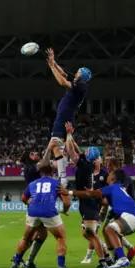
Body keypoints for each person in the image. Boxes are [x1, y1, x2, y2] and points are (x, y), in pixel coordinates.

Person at [61, 169, 135, 268]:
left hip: (133, 216)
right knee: (108, 231)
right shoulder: (117, 189)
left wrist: (69, 192)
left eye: (109, 175)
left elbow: (92, 194)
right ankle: (116, 260)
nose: (107, 176)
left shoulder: (112, 187)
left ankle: (122, 258)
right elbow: (104, 202)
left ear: (113, 179)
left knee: (110, 229)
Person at [63, 122, 108, 268]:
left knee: (90, 233)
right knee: (86, 233)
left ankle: (103, 259)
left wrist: (69, 134)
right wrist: (71, 136)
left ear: (89, 155)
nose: (85, 150)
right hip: (86, 202)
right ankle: (106, 254)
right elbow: (75, 149)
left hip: (88, 203)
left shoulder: (83, 165)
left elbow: (70, 151)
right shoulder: (86, 161)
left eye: (87, 150)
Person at [11, 164, 72, 268]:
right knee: (61, 237)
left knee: (26, 238)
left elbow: (24, 198)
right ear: (53, 173)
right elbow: (67, 202)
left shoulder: (32, 184)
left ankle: (15, 262)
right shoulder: (56, 184)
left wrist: (31, 204)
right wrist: (65, 211)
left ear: (40, 173)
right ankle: (61, 267)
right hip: (48, 212)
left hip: (33, 212)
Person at [45, 47, 91, 188]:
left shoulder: (80, 86)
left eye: (78, 72)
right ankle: (59, 174)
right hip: (65, 117)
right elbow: (64, 74)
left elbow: (62, 81)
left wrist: (52, 66)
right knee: (55, 146)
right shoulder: (78, 84)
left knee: (55, 145)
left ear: (81, 76)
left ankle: (62, 178)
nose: (76, 72)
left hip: (64, 117)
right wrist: (54, 61)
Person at [10, 145, 54, 268]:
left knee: (39, 234)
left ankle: (24, 260)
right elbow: (44, 162)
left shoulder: (31, 170)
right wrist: (49, 148)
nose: (37, 155)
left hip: (37, 206)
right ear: (30, 156)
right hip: (38, 207)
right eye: (34, 153)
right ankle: (19, 259)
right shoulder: (30, 168)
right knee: (29, 236)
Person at [104, 157, 135, 262]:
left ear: (114, 166)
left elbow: (121, 190)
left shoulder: (125, 178)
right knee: (108, 230)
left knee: (111, 230)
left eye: (109, 165)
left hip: (127, 209)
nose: (107, 167)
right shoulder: (111, 179)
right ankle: (129, 249)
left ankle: (118, 258)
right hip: (117, 208)